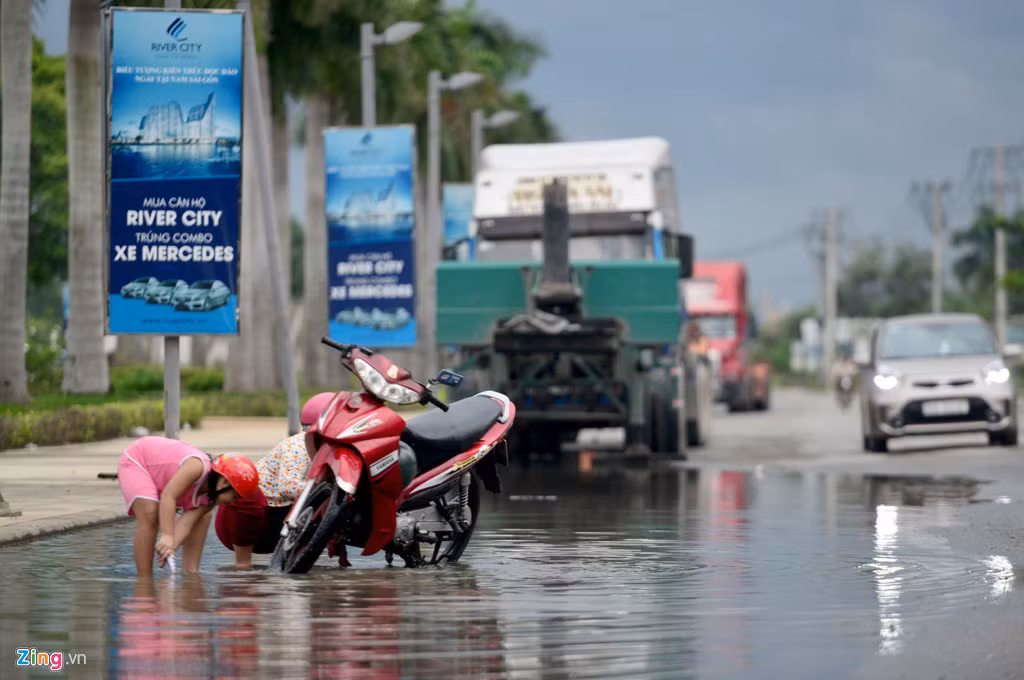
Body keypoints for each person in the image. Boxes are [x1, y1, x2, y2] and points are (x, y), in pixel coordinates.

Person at [215, 392, 336, 569]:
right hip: (259, 514)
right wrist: (329, 490)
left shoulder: (337, 453)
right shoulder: (298, 447)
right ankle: (242, 565)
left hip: (284, 519)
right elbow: (287, 486)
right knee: (247, 494)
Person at [118, 436, 261, 575]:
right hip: (138, 461)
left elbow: (187, 523)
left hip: (162, 478)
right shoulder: (197, 467)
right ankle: (144, 580)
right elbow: (169, 496)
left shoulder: (209, 500)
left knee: (204, 516)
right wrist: (167, 535)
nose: (234, 501)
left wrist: (168, 549)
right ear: (224, 483)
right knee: (150, 513)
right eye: (234, 496)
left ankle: (191, 573)